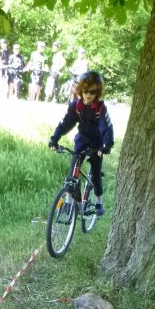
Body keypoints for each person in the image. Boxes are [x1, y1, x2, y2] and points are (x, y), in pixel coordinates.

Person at [48, 71, 113, 216]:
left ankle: (98, 202)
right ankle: (68, 204)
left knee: (96, 175)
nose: (88, 95)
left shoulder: (100, 109)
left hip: (97, 144)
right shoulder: (76, 106)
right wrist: (54, 138)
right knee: (72, 174)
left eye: (92, 92)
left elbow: (106, 127)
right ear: (80, 90)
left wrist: (107, 145)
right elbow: (65, 124)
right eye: (85, 91)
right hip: (81, 140)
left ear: (97, 92)